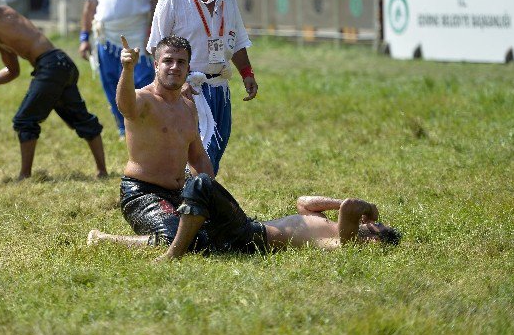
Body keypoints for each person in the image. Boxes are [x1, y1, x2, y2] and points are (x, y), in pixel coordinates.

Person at [87, 35, 400, 260]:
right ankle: (114, 241)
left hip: (180, 193)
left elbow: (197, 155)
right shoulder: (142, 99)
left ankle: (163, 239)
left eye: (181, 62)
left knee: (201, 235)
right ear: (156, 64)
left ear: (188, 67)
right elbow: (124, 105)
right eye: (167, 61)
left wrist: (204, 188)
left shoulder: (187, 106)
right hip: (143, 192)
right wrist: (127, 70)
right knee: (181, 235)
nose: (174, 67)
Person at [0, 4, 107, 180]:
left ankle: (24, 176)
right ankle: (102, 171)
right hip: (60, 65)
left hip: (52, 65)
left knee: (24, 120)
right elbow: (12, 70)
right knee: (81, 119)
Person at [147, 0, 258, 174]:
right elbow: (157, 48)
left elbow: (236, 40)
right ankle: (188, 202)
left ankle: (200, 201)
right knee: (195, 153)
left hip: (220, 87)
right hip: (188, 89)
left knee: (216, 148)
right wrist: (175, 86)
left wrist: (247, 73)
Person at [79, 0, 164, 139]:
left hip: (137, 34)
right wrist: (84, 37)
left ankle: (147, 124)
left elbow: (157, 1)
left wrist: (155, 34)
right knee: (110, 82)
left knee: (143, 81)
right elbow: (89, 6)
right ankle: (123, 128)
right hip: (106, 36)